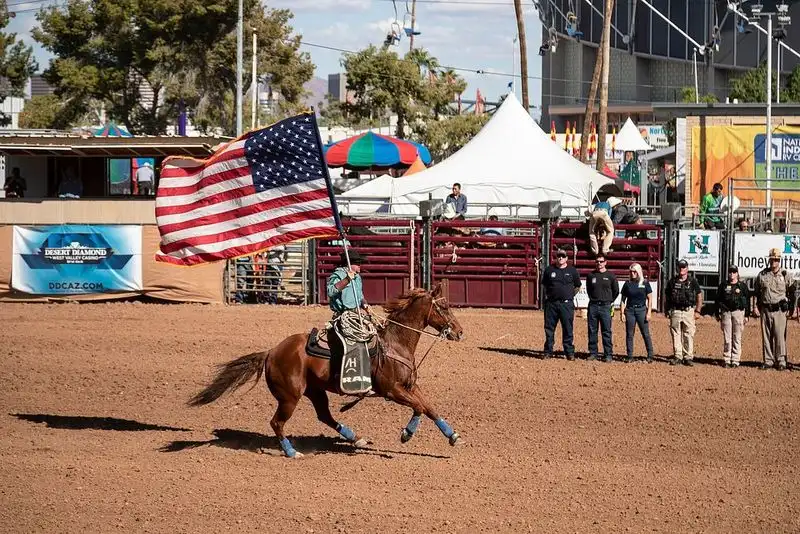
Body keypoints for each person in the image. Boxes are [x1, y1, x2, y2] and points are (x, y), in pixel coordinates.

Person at [752, 248, 798, 371]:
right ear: (769, 260)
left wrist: (792, 308)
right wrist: (756, 306)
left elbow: (792, 292)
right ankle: (768, 360)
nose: (774, 262)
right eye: (772, 259)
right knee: (766, 336)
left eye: (776, 260)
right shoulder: (762, 275)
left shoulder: (785, 275)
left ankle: (781, 360)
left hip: (779, 311)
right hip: (766, 309)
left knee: (779, 336)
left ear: (779, 261)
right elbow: (756, 292)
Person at [541, 248, 581, 360]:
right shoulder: (549, 270)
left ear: (567, 258)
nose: (560, 258)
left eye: (563, 256)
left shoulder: (572, 271)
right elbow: (544, 285)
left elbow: (577, 285)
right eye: (559, 256)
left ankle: (569, 352)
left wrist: (570, 295)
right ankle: (548, 351)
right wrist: (548, 296)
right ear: (556, 257)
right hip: (552, 304)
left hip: (566, 304)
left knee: (568, 328)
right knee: (549, 329)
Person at [664, 259, 703, 366]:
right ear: (677, 268)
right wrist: (667, 310)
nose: (682, 269)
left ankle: (688, 357)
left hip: (688, 311)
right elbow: (667, 296)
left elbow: (699, 295)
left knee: (688, 334)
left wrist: (698, 310)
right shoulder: (672, 281)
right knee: (676, 334)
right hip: (675, 310)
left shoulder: (693, 281)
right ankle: (678, 355)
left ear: (687, 268)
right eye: (680, 267)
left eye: (684, 267)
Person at [586, 253, 618, 362]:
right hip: (593, 306)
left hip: (606, 306)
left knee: (606, 331)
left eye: (601, 261)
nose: (599, 263)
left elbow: (616, 291)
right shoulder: (591, 275)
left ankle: (608, 354)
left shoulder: (611, 276)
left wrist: (608, 300)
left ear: (605, 262)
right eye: (597, 261)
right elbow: (589, 289)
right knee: (592, 330)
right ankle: (593, 353)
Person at [716, 265, 750, 369]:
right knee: (727, 337)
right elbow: (718, 299)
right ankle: (727, 358)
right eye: (730, 272)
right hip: (726, 313)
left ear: (737, 273)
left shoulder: (742, 286)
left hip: (738, 313)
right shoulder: (723, 285)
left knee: (737, 337)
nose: (732, 274)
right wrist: (717, 313)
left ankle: (735, 360)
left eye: (734, 272)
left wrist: (747, 315)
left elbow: (747, 301)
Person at [619, 263, 654, 363]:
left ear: (639, 272)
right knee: (629, 334)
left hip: (642, 310)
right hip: (630, 310)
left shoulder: (645, 283)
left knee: (645, 333)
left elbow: (650, 298)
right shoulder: (627, 284)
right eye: (631, 272)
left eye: (634, 271)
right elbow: (623, 300)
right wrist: (622, 313)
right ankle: (630, 355)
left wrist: (649, 312)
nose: (632, 273)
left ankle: (650, 355)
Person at [327, 250, 371, 318]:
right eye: (357, 263)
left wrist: (364, 303)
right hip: (343, 315)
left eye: (360, 263)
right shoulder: (339, 275)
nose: (359, 265)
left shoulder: (357, 277)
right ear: (348, 264)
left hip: (356, 313)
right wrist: (347, 279)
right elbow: (330, 291)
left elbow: (360, 296)